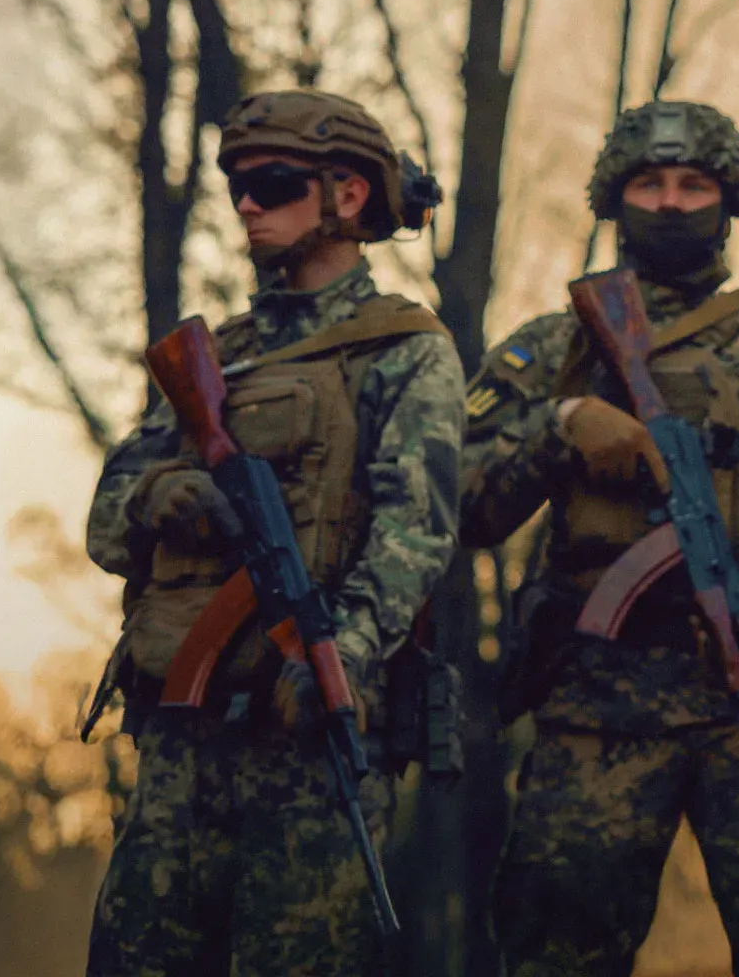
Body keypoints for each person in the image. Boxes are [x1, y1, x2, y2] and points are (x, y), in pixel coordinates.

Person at [462, 100, 739, 977]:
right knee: (556, 952)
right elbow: (458, 504)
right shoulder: (555, 351)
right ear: (616, 200)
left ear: (731, 203)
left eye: (693, 184)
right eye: (648, 183)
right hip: (597, 706)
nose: (670, 202)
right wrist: (559, 424)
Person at [83, 89, 464, 976]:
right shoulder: (215, 360)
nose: (248, 204)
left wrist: (343, 656)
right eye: (238, 187)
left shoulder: (405, 353)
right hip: (179, 744)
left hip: (311, 745)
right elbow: (106, 526)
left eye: (275, 184)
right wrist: (163, 499)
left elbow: (416, 535)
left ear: (350, 197)